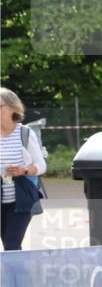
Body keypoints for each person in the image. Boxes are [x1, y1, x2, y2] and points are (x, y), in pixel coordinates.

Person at [1, 88, 46, 251]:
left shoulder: (25, 133)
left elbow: (41, 166)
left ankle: (17, 277)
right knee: (8, 245)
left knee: (11, 245)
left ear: (12, 107)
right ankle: (14, 276)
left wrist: (24, 170)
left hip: (21, 199)